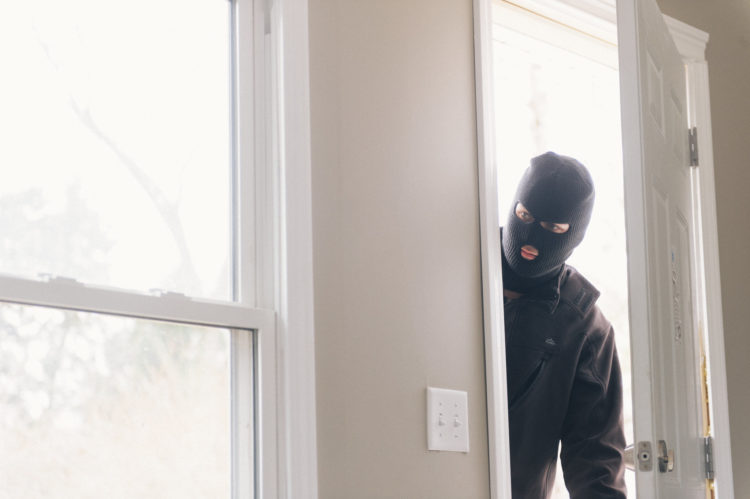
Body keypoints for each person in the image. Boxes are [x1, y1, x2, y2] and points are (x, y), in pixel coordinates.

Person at [501, 152, 626, 498]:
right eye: (525, 215)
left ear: (574, 235)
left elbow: (596, 457)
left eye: (553, 229)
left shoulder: (586, 328)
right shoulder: (454, 268)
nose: (531, 237)